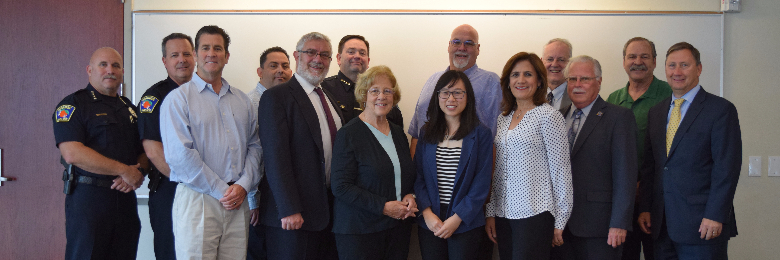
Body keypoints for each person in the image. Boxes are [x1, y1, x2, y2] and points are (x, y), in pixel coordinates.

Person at [160, 25, 262, 260]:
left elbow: (255, 147)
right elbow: (180, 156)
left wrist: (244, 185)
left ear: (226, 56)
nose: (211, 53)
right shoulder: (178, 99)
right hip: (199, 199)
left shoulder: (242, 100)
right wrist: (222, 191)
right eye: (205, 48)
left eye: (218, 48)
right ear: (195, 55)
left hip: (237, 199)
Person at [638, 42, 741, 260]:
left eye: (684, 65)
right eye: (671, 65)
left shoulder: (720, 110)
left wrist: (715, 215)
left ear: (699, 68)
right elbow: (652, 167)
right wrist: (645, 207)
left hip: (702, 226)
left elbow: (726, 169)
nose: (677, 72)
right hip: (660, 226)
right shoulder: (656, 112)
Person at [53, 47, 145, 260]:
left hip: (124, 199)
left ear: (122, 72)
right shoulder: (74, 105)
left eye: (116, 66)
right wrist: (123, 170)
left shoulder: (130, 109)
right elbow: (72, 153)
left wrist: (137, 172)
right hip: (90, 201)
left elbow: (144, 149)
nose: (110, 70)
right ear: (89, 70)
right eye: (103, 65)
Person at [257, 32, 343, 260]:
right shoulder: (277, 97)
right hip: (294, 216)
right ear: (297, 56)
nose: (318, 59)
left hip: (327, 211)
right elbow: (276, 158)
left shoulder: (329, 98)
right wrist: (288, 208)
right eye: (311, 52)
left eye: (324, 55)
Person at [484, 52, 573, 259]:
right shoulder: (503, 118)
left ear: (540, 81)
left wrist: (560, 221)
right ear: (507, 82)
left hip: (534, 214)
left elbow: (561, 172)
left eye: (528, 74)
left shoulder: (548, 116)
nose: (521, 80)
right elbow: (497, 172)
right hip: (504, 215)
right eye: (515, 75)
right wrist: (491, 212)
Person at [551, 55, 638, 260]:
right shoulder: (556, 117)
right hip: (559, 227)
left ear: (599, 82)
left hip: (601, 227)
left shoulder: (618, 118)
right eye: (572, 79)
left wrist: (619, 223)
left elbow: (625, 175)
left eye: (585, 79)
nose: (578, 85)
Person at [330, 65, 417, 260]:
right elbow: (341, 186)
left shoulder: (398, 133)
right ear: (363, 95)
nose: (382, 96)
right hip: (360, 232)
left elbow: (405, 174)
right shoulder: (349, 134)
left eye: (388, 91)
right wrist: (384, 206)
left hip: (397, 229)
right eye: (374, 91)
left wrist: (410, 195)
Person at [413, 70, 493, 260]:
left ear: (468, 97)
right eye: (445, 92)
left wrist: (457, 218)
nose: (451, 98)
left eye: (458, 92)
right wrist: (427, 213)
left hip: (465, 221)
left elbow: (481, 183)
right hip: (430, 220)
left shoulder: (481, 133)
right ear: (437, 96)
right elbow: (418, 176)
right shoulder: (426, 132)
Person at [606, 37, 672, 260]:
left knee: (658, 253)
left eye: (644, 56)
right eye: (632, 56)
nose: (638, 61)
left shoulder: (669, 95)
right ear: (624, 62)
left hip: (657, 197)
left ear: (654, 61)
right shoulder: (613, 99)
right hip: (620, 199)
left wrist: (644, 187)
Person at [137, 32, 195, 260]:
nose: (182, 59)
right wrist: (190, 183)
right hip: (172, 189)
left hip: (207, 191)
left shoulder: (208, 93)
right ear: (165, 61)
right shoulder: (154, 97)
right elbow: (153, 151)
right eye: (174, 55)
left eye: (187, 53)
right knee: (171, 253)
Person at [408, 24, 501, 156]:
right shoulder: (432, 80)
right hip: (427, 170)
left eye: (469, 43)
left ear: (478, 48)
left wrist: (486, 176)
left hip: (469, 169)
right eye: (456, 42)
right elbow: (416, 134)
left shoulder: (492, 82)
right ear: (449, 46)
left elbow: (496, 140)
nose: (462, 48)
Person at [246, 46, 293, 260]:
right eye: (273, 66)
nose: (280, 71)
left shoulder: (290, 103)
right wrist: (252, 201)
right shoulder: (249, 104)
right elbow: (247, 156)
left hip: (281, 199)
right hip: (258, 199)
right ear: (259, 71)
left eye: (285, 66)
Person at [322, 35, 403, 127]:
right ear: (339, 58)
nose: (357, 56)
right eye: (351, 52)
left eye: (362, 53)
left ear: (368, 61)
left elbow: (396, 128)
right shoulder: (324, 90)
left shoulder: (384, 93)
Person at [542, 38, 574, 110]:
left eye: (561, 60)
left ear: (570, 63)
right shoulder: (529, 94)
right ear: (541, 62)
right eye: (550, 59)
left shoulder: (579, 96)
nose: (555, 64)